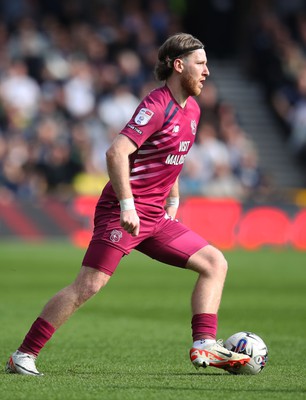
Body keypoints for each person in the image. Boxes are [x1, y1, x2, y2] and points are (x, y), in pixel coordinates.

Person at [5, 33, 250, 376]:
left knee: (214, 262)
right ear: (178, 66)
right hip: (124, 214)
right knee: (89, 285)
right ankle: (23, 355)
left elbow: (169, 157)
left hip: (155, 217)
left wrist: (174, 196)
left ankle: (204, 344)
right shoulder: (155, 105)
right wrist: (127, 205)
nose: (207, 71)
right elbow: (116, 152)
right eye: (201, 64)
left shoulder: (192, 108)